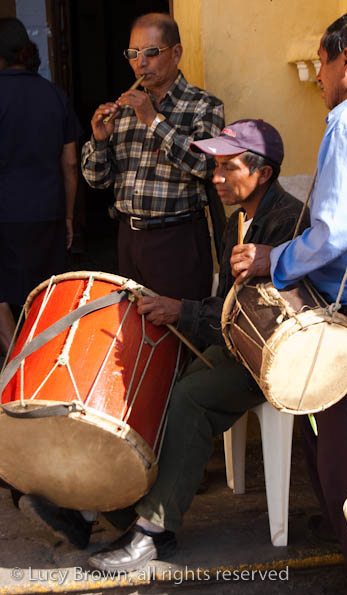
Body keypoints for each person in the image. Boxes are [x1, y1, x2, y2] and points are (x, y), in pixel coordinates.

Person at [19, 119, 308, 566]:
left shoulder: (288, 221)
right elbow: (227, 305)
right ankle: (98, 507)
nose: (216, 177)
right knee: (159, 383)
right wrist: (181, 312)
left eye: (228, 167)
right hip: (237, 345)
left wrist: (182, 311)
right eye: (216, 167)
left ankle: (154, 532)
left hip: (273, 356)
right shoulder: (238, 220)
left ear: (263, 172)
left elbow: (260, 314)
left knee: (192, 397)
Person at [231, 8, 347, 594]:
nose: (319, 76)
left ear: (346, 60)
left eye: (323, 62)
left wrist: (275, 259)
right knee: (335, 443)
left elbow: (340, 227)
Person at [81, 12, 224, 300]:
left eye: (151, 52)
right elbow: (97, 180)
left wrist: (153, 121)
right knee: (134, 324)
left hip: (177, 239)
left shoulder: (204, 105)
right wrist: (99, 141)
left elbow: (206, 164)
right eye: (133, 54)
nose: (140, 63)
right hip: (128, 237)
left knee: (179, 324)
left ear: (176, 53)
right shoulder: (124, 110)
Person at [0, 18, 80, 354]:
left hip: (5, 214)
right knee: (47, 293)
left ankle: (18, 361)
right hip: (48, 211)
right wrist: (68, 215)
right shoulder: (54, 94)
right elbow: (71, 163)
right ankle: (44, 360)